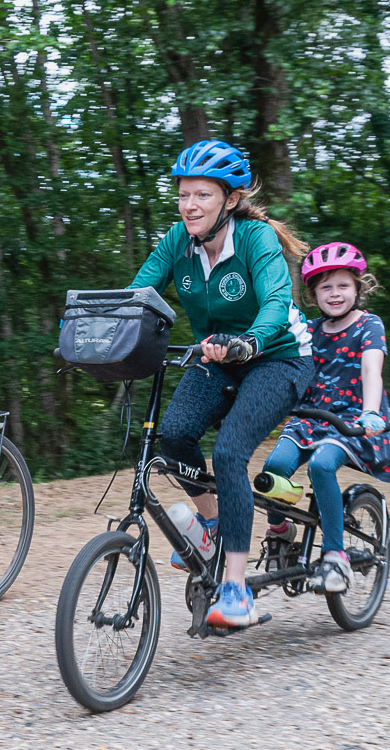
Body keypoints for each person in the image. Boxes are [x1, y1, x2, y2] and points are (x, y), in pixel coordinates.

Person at [130, 139, 314, 629]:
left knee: (230, 453)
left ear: (230, 200)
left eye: (203, 195)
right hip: (220, 356)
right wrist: (99, 337)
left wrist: (249, 342)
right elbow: (138, 295)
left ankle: (236, 589)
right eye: (184, 194)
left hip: (278, 356)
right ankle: (211, 524)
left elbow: (277, 302)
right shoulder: (177, 241)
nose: (190, 205)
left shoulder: (255, 239)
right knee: (173, 435)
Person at [259, 241, 390, 592]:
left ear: (357, 287)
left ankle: (336, 557)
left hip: (351, 420)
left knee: (321, 466)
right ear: (313, 293)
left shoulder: (369, 325)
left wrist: (370, 411)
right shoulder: (309, 330)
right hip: (310, 417)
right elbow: (284, 368)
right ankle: (280, 530)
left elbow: (371, 370)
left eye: (342, 285)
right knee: (274, 469)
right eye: (326, 287)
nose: (334, 294)